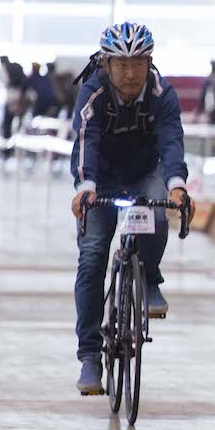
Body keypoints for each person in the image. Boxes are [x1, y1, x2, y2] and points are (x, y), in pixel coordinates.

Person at [70, 23, 190, 395]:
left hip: (144, 173)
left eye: (137, 63)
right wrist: (85, 187)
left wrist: (178, 186)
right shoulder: (93, 94)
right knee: (92, 256)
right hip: (101, 178)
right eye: (120, 64)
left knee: (155, 215)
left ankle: (149, 278)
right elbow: (85, 142)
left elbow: (171, 140)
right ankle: (90, 356)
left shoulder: (161, 93)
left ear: (148, 63)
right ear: (105, 64)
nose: (129, 73)